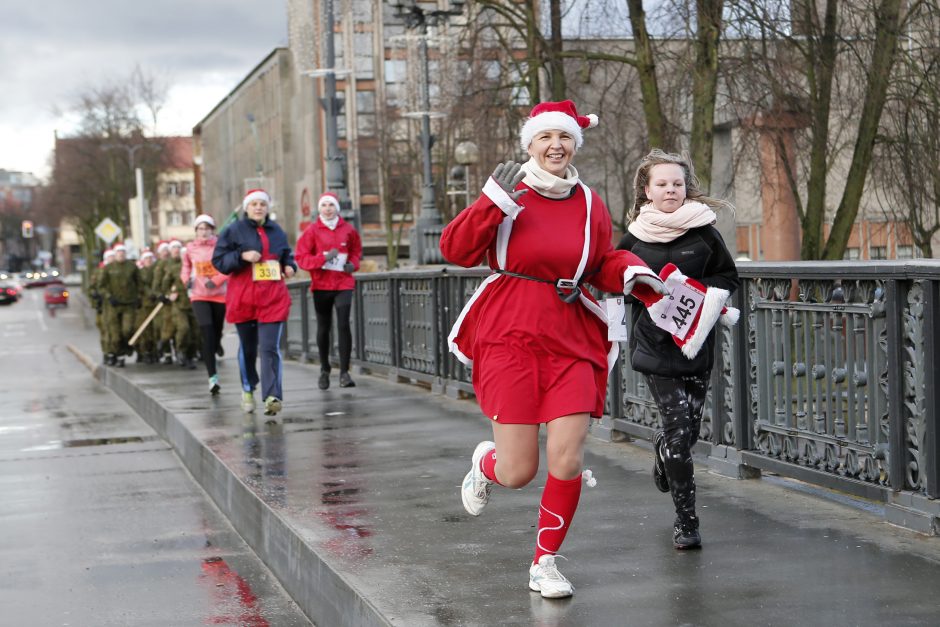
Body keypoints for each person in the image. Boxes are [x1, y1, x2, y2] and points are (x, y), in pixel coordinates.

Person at [440, 100, 667, 598]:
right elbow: (455, 251)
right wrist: (490, 202)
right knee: (519, 471)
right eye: (545, 138)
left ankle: (545, 562)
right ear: (530, 145)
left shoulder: (588, 201)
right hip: (511, 333)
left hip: (571, 333)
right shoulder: (507, 190)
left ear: (573, 145)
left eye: (564, 138)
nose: (556, 146)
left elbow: (602, 260)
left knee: (567, 458)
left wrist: (633, 274)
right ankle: (487, 465)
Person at [616, 149, 740, 550]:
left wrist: (700, 294)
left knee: (686, 435)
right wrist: (646, 293)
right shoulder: (634, 237)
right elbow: (615, 282)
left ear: (687, 188)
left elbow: (728, 276)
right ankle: (687, 523)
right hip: (654, 344)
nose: (670, 189)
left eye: (677, 183)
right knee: (678, 427)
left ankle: (663, 449)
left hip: (696, 343)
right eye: (662, 184)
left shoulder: (705, 232)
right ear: (646, 191)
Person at [212, 189, 297, 418]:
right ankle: (248, 389)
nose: (258, 207)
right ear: (247, 207)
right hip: (244, 299)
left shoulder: (277, 231)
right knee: (248, 350)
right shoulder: (233, 230)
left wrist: (290, 266)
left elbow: (286, 254)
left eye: (262, 204)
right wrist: (242, 256)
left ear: (267, 207)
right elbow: (218, 261)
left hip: (272, 298)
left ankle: (272, 396)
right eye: (254, 204)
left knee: (270, 348)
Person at [295, 191, 363, 390]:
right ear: (319, 209)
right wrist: (322, 259)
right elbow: (301, 258)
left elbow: (356, 251)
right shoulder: (312, 231)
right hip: (321, 285)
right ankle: (324, 369)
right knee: (324, 328)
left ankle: (344, 372)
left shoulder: (349, 230)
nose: (328, 209)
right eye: (324, 205)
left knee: (343, 325)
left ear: (337, 208)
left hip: (343, 283)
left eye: (331, 205)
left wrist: (353, 264)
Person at [182, 214, 229, 395]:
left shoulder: (220, 246)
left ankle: (217, 342)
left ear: (212, 230)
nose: (204, 232)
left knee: (216, 331)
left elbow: (228, 267)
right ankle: (212, 378)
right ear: (196, 231)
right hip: (198, 295)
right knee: (206, 330)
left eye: (207, 228)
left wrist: (217, 280)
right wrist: (186, 279)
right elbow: (186, 267)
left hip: (218, 295)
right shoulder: (189, 249)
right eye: (200, 229)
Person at [99, 242, 142, 367]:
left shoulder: (132, 267)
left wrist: (139, 297)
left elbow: (139, 283)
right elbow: (101, 286)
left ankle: (126, 349)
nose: (121, 254)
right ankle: (119, 356)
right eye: (118, 252)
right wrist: (109, 296)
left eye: (123, 252)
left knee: (127, 330)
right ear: (115, 253)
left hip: (129, 304)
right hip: (113, 305)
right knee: (115, 334)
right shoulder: (109, 268)